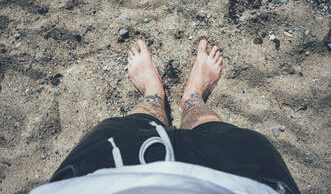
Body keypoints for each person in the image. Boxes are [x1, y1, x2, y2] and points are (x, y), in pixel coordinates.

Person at [30, 39, 301, 194]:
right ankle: (192, 97)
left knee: (131, 129)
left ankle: (153, 94)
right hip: (240, 184)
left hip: (98, 180)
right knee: (217, 135)